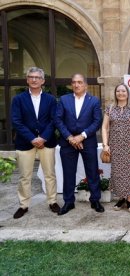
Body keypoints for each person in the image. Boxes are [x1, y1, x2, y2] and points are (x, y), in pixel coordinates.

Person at [11, 67, 60, 219]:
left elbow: (54, 121)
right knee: (25, 176)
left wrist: (43, 138)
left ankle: (52, 202)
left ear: (42, 81)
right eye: (31, 77)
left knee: (50, 174)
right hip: (25, 143)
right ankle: (23, 205)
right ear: (27, 80)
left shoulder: (51, 99)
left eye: (37, 77)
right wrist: (32, 138)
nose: (34, 79)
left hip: (46, 142)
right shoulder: (18, 99)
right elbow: (16, 121)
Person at [55, 73, 104, 215]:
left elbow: (97, 122)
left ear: (85, 85)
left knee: (92, 172)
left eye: (80, 82)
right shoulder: (64, 100)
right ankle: (68, 202)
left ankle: (95, 200)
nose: (76, 85)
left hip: (87, 141)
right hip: (67, 142)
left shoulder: (94, 101)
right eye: (74, 82)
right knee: (68, 172)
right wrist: (70, 137)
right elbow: (58, 120)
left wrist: (81, 137)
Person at [101, 84, 130, 212]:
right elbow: (104, 127)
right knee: (118, 173)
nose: (121, 93)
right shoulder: (110, 108)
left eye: (123, 91)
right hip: (116, 146)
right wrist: (105, 144)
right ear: (115, 93)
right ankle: (121, 198)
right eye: (118, 91)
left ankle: (129, 200)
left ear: (127, 93)